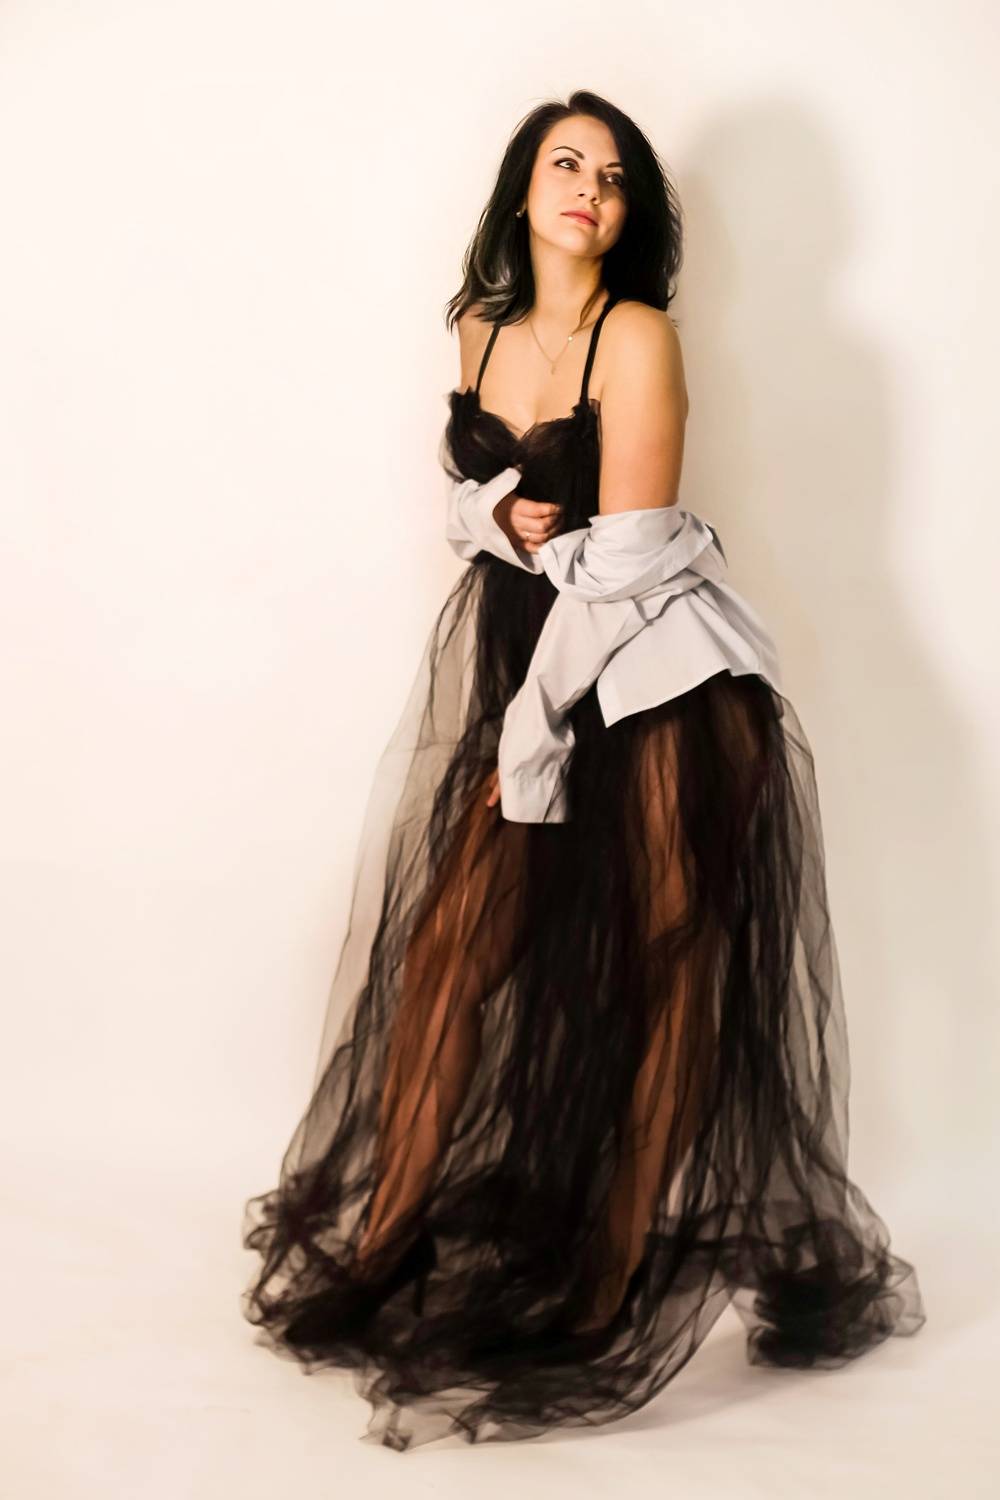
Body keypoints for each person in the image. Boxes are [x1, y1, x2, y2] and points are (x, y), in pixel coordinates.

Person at [240, 89, 925, 1453]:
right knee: (450, 949)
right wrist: (496, 515)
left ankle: (612, 1276)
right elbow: (470, 507)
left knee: (672, 967)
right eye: (567, 165)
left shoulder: (642, 337)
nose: (589, 192)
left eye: (614, 179)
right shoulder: (477, 327)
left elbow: (621, 571)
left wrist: (529, 736)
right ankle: (381, 1243)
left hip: (659, 688)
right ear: (522, 188)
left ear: (630, 216)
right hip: (537, 674)